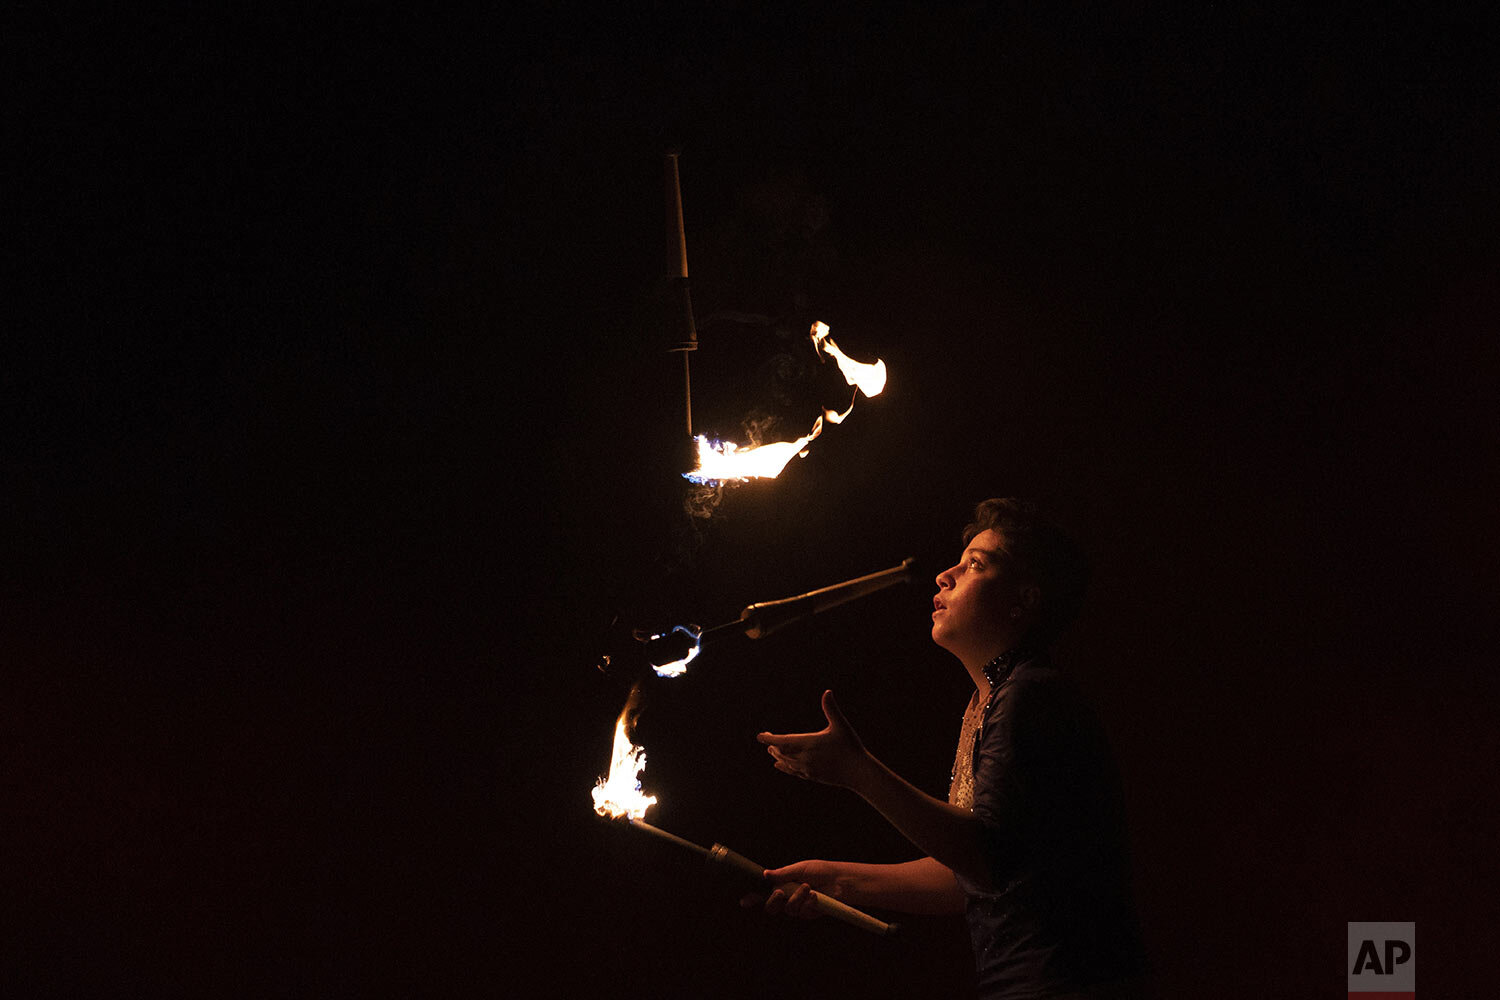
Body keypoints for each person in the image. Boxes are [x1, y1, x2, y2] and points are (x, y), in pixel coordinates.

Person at [746, 498, 1146, 999]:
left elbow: (985, 858)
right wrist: (835, 881)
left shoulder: (1029, 696)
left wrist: (857, 770)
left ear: (1023, 600)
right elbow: (967, 877)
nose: (944, 574)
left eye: (975, 564)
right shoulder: (991, 700)